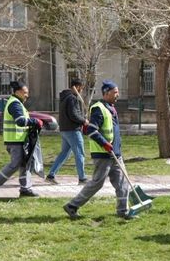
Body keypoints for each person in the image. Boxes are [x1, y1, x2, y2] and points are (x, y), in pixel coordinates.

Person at [63, 79, 134, 220]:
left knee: (123, 183)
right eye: (115, 92)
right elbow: (91, 130)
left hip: (115, 153)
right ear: (106, 93)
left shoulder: (111, 108)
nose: (117, 95)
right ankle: (72, 206)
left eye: (118, 92)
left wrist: (116, 148)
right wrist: (104, 144)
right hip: (103, 154)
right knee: (97, 183)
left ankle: (122, 211)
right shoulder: (98, 109)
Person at [0, 81, 44, 198]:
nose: (27, 95)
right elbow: (20, 121)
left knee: (25, 164)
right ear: (18, 92)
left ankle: (25, 189)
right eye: (25, 93)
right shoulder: (15, 104)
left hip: (18, 140)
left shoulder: (16, 103)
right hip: (15, 141)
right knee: (15, 164)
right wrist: (36, 121)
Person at [46, 78, 88, 185]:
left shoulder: (64, 98)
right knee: (80, 153)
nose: (81, 91)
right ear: (77, 87)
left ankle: (51, 175)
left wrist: (82, 117)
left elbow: (72, 113)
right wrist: (83, 120)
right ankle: (82, 178)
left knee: (64, 153)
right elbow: (73, 115)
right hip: (73, 130)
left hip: (65, 129)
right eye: (81, 88)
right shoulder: (72, 99)